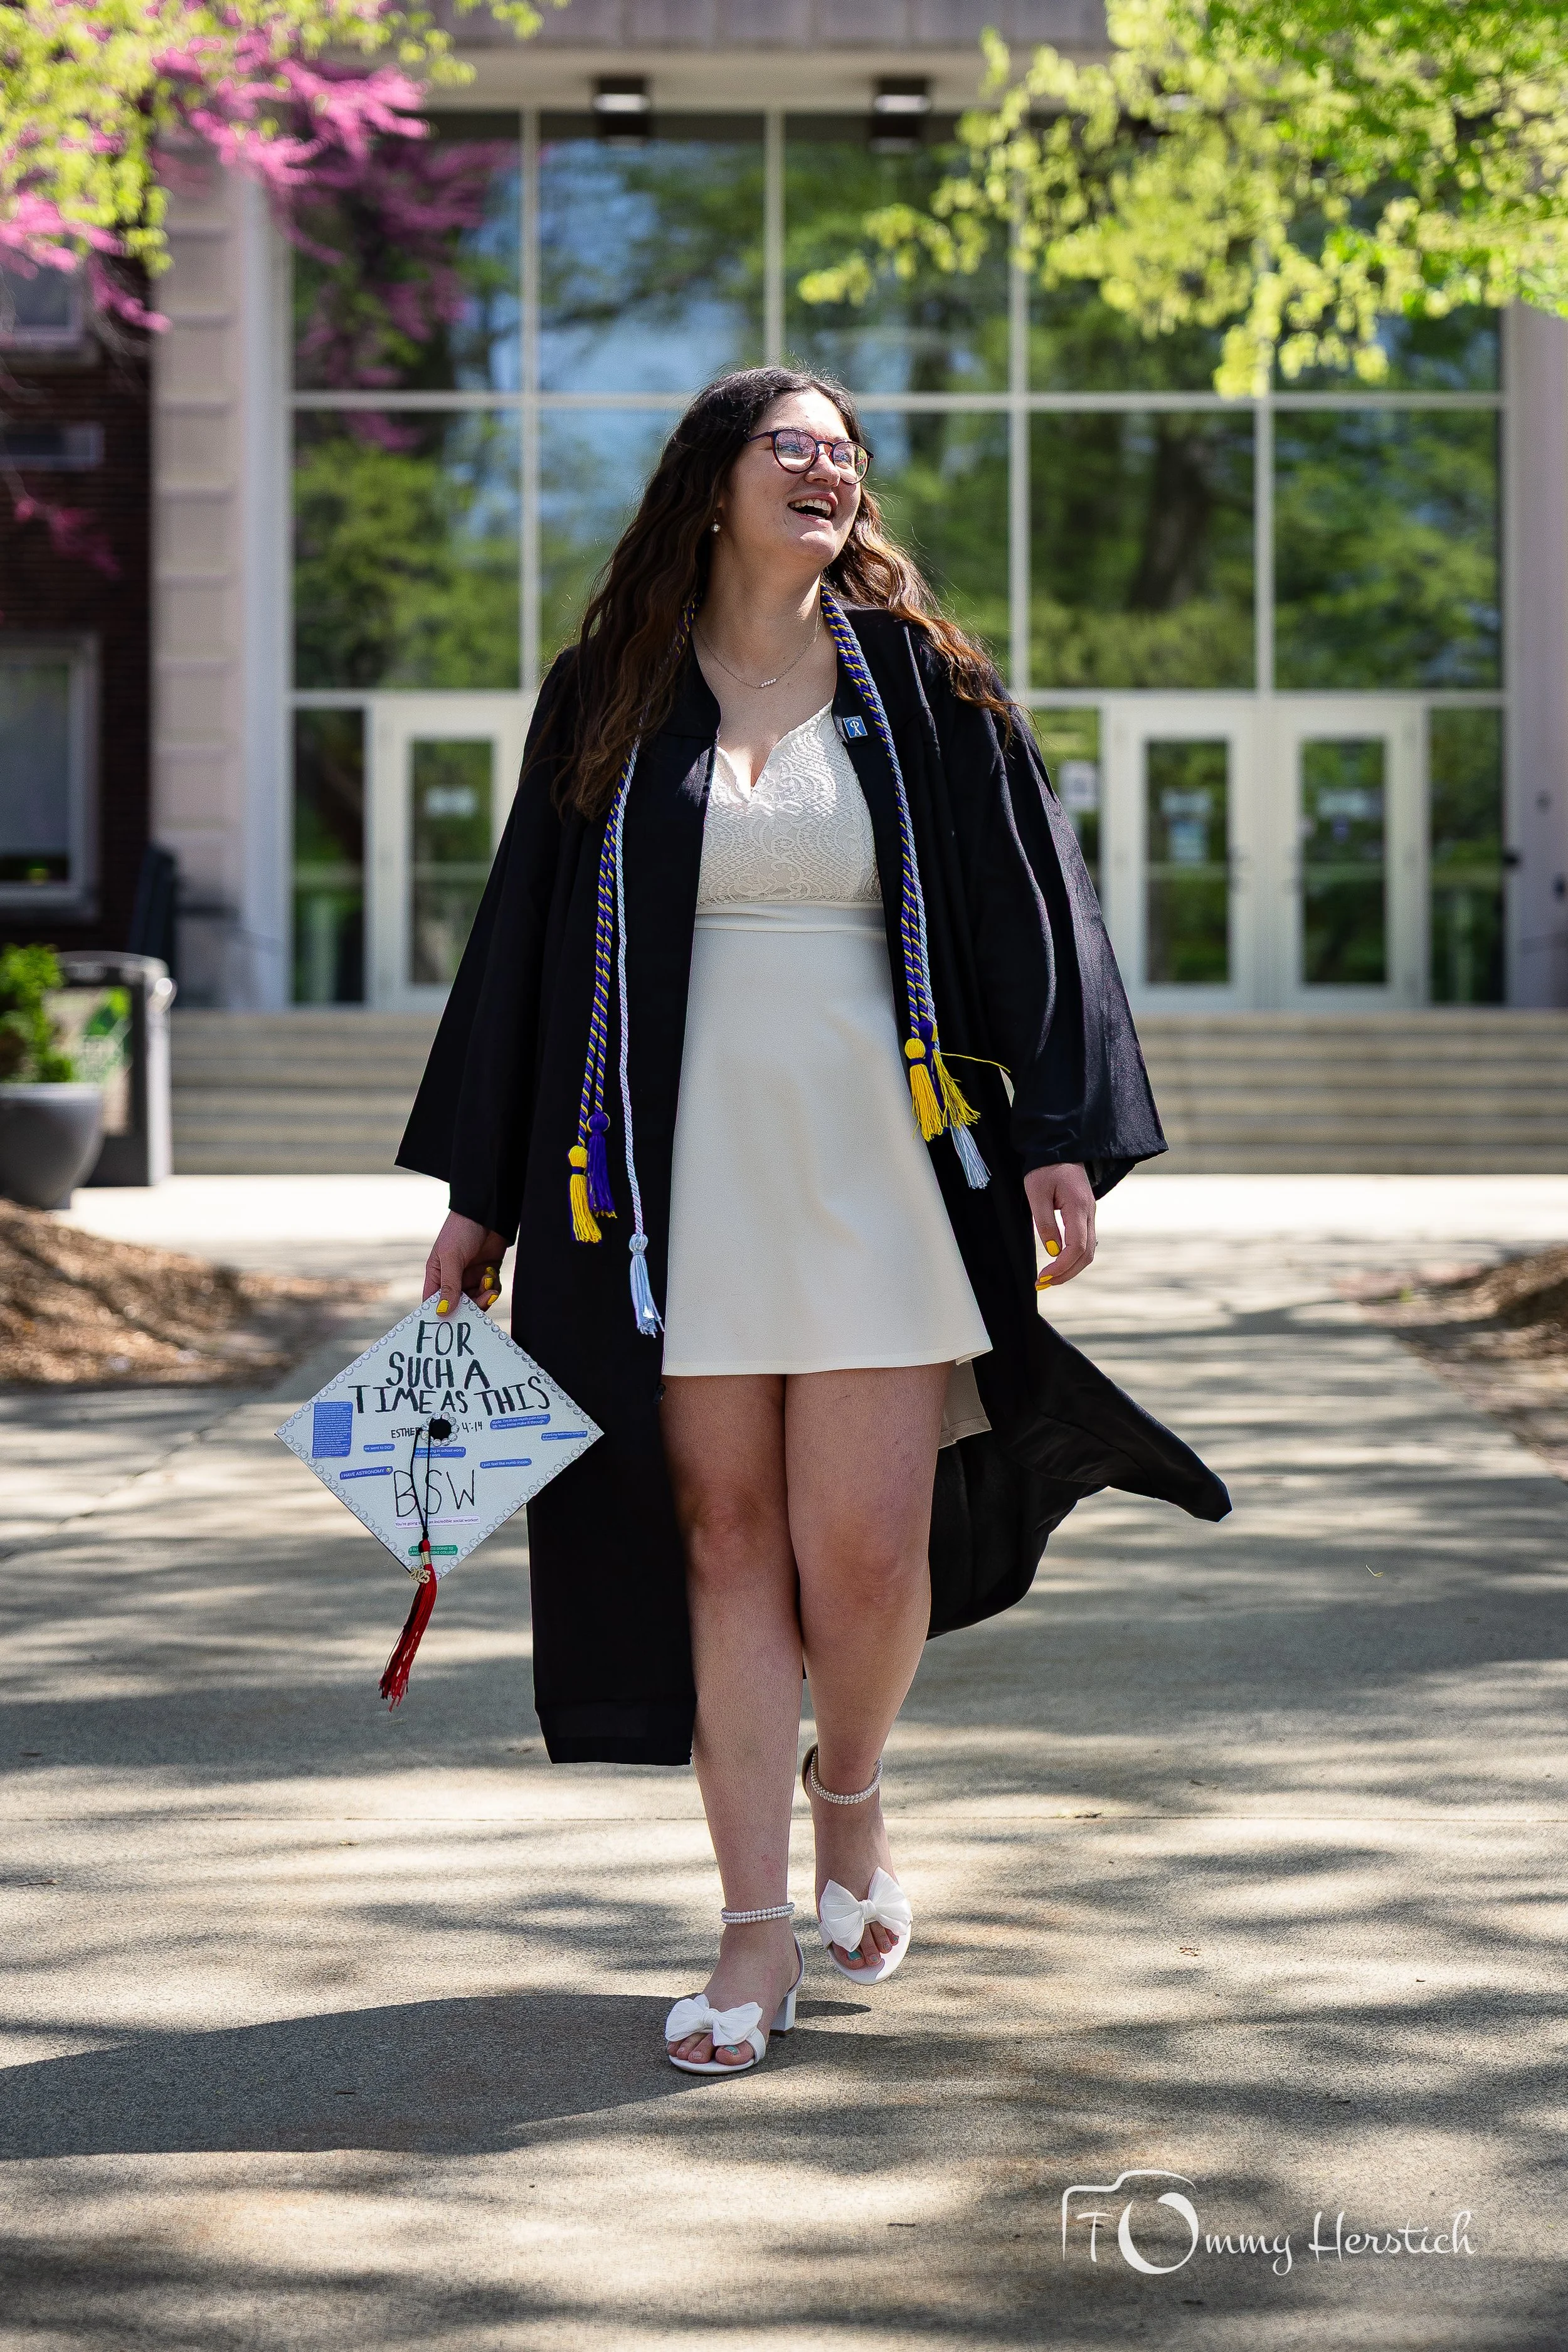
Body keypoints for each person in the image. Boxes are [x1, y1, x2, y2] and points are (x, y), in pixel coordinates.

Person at [398, 367, 1228, 2079]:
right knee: (719, 1539)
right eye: (793, 443)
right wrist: (481, 1199)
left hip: (871, 1156)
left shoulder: (917, 681)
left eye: (844, 449)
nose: (827, 467)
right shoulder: (610, 691)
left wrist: (1061, 1134)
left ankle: (847, 1789)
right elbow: (524, 950)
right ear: (713, 483)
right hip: (658, 1182)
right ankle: (751, 1928)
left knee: (862, 1550)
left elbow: (1026, 900)